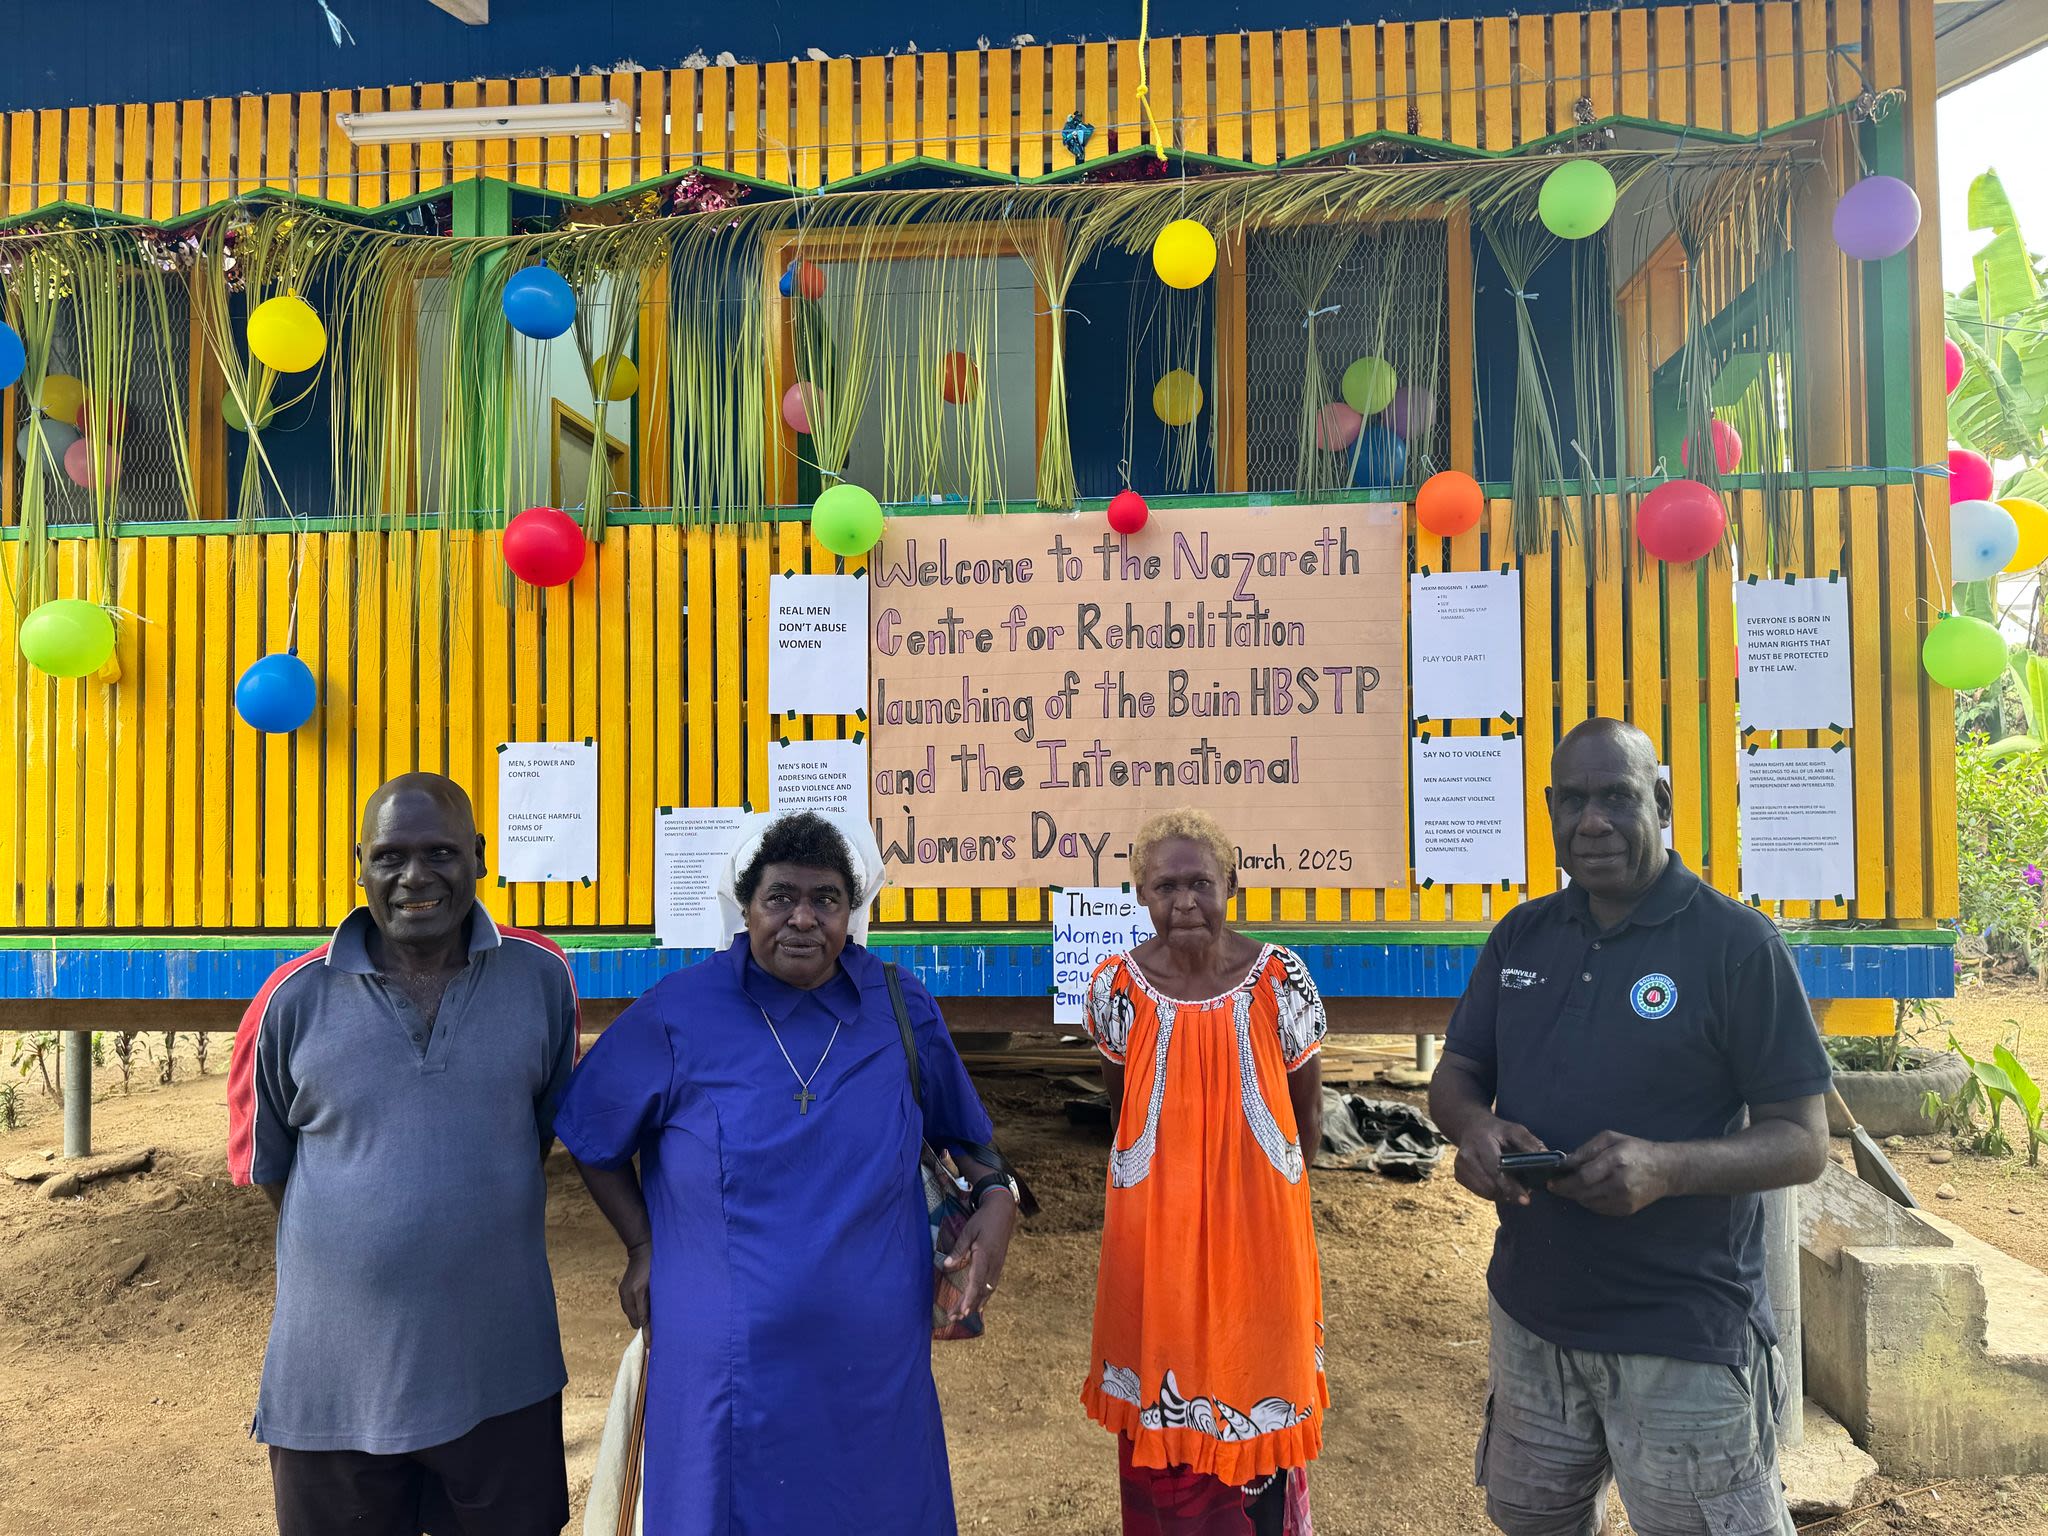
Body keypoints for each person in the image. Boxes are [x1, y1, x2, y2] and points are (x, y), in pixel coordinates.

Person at [553, 808, 1021, 1536]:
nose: (803, 918)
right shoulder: (679, 1013)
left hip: (873, 1361)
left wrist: (997, 1203)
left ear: (850, 911)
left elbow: (972, 1145)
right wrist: (644, 1247)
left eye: (826, 899)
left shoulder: (901, 1008)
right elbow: (590, 1132)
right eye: (780, 898)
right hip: (723, 1362)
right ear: (745, 907)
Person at [1429, 718, 1833, 1536]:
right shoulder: (1522, 935)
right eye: (1572, 800)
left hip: (1680, 1333)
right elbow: (1458, 1075)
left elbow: (1803, 1140)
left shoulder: (1736, 945)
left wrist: (1667, 1167)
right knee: (1532, 1520)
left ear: (1662, 798)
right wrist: (1472, 1128)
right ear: (1549, 809)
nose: (1593, 821)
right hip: (1531, 1317)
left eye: (1616, 796)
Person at [227, 773, 580, 1536]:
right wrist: (369, 1240)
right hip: (332, 1386)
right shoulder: (291, 999)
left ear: (481, 857)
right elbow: (272, 1168)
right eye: (389, 856)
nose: (415, 877)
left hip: (502, 1372)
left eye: (441, 852)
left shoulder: (541, 979)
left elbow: (541, 1129)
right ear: (359, 864)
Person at [1081, 807, 1328, 1536]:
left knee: (1256, 1393)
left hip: (1261, 1239)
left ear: (1233, 883)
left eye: (1200, 883)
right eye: (1165, 886)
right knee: (1164, 1398)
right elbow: (1122, 1103)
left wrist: (1260, 1212)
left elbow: (1305, 1121)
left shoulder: (1281, 979)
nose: (1183, 902)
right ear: (1141, 895)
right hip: (1154, 1242)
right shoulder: (1115, 990)